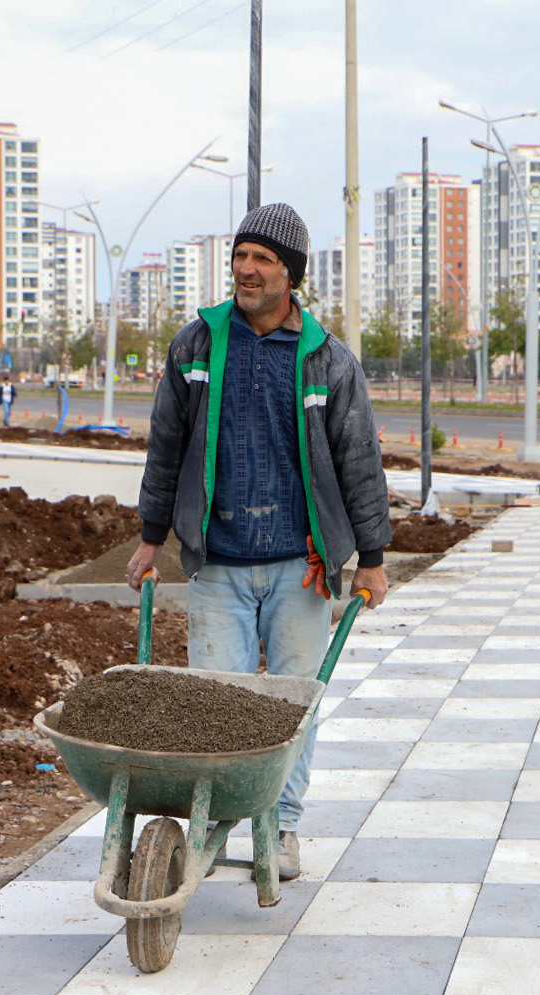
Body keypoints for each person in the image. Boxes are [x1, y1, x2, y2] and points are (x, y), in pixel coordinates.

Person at [125, 202, 391, 881]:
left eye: (261, 259)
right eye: (240, 256)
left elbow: (358, 459)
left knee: (291, 708)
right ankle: (214, 823)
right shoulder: (198, 346)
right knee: (218, 704)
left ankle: (285, 825)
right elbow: (167, 445)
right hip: (218, 561)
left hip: (299, 566)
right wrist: (151, 538)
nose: (245, 269)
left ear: (290, 274)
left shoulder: (326, 362)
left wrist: (373, 559)